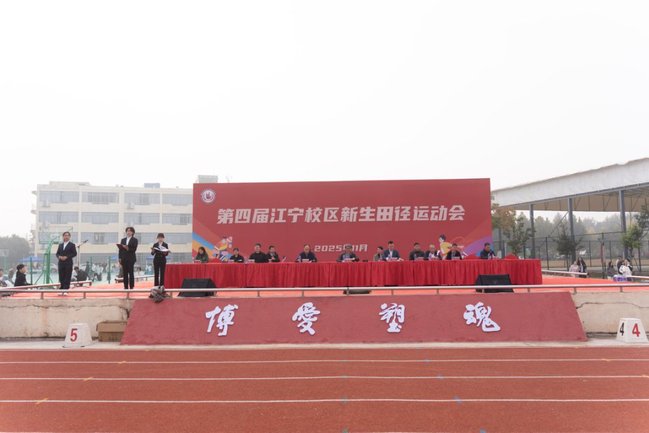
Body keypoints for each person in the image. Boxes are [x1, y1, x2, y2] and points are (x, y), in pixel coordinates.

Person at [56, 231, 77, 295]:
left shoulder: (72, 245)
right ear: (63, 237)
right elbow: (57, 253)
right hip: (61, 263)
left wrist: (67, 257)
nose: (66, 236)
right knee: (61, 276)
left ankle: (66, 290)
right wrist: (59, 257)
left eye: (68, 235)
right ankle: (61, 289)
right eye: (65, 235)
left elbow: (74, 253)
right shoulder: (60, 245)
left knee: (67, 276)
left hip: (68, 263)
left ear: (69, 237)